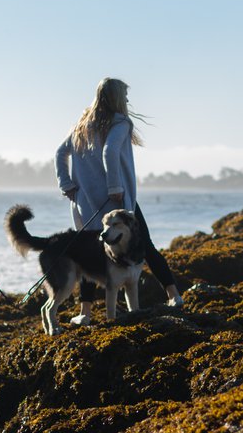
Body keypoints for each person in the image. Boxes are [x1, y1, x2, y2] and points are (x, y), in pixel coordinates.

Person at [54, 78, 183, 320]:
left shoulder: (82, 125)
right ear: (115, 98)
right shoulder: (120, 122)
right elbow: (110, 151)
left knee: (91, 254)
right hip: (117, 201)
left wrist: (67, 185)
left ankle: (85, 313)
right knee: (144, 244)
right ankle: (173, 295)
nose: (127, 100)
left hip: (87, 202)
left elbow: (60, 153)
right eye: (124, 95)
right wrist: (114, 186)